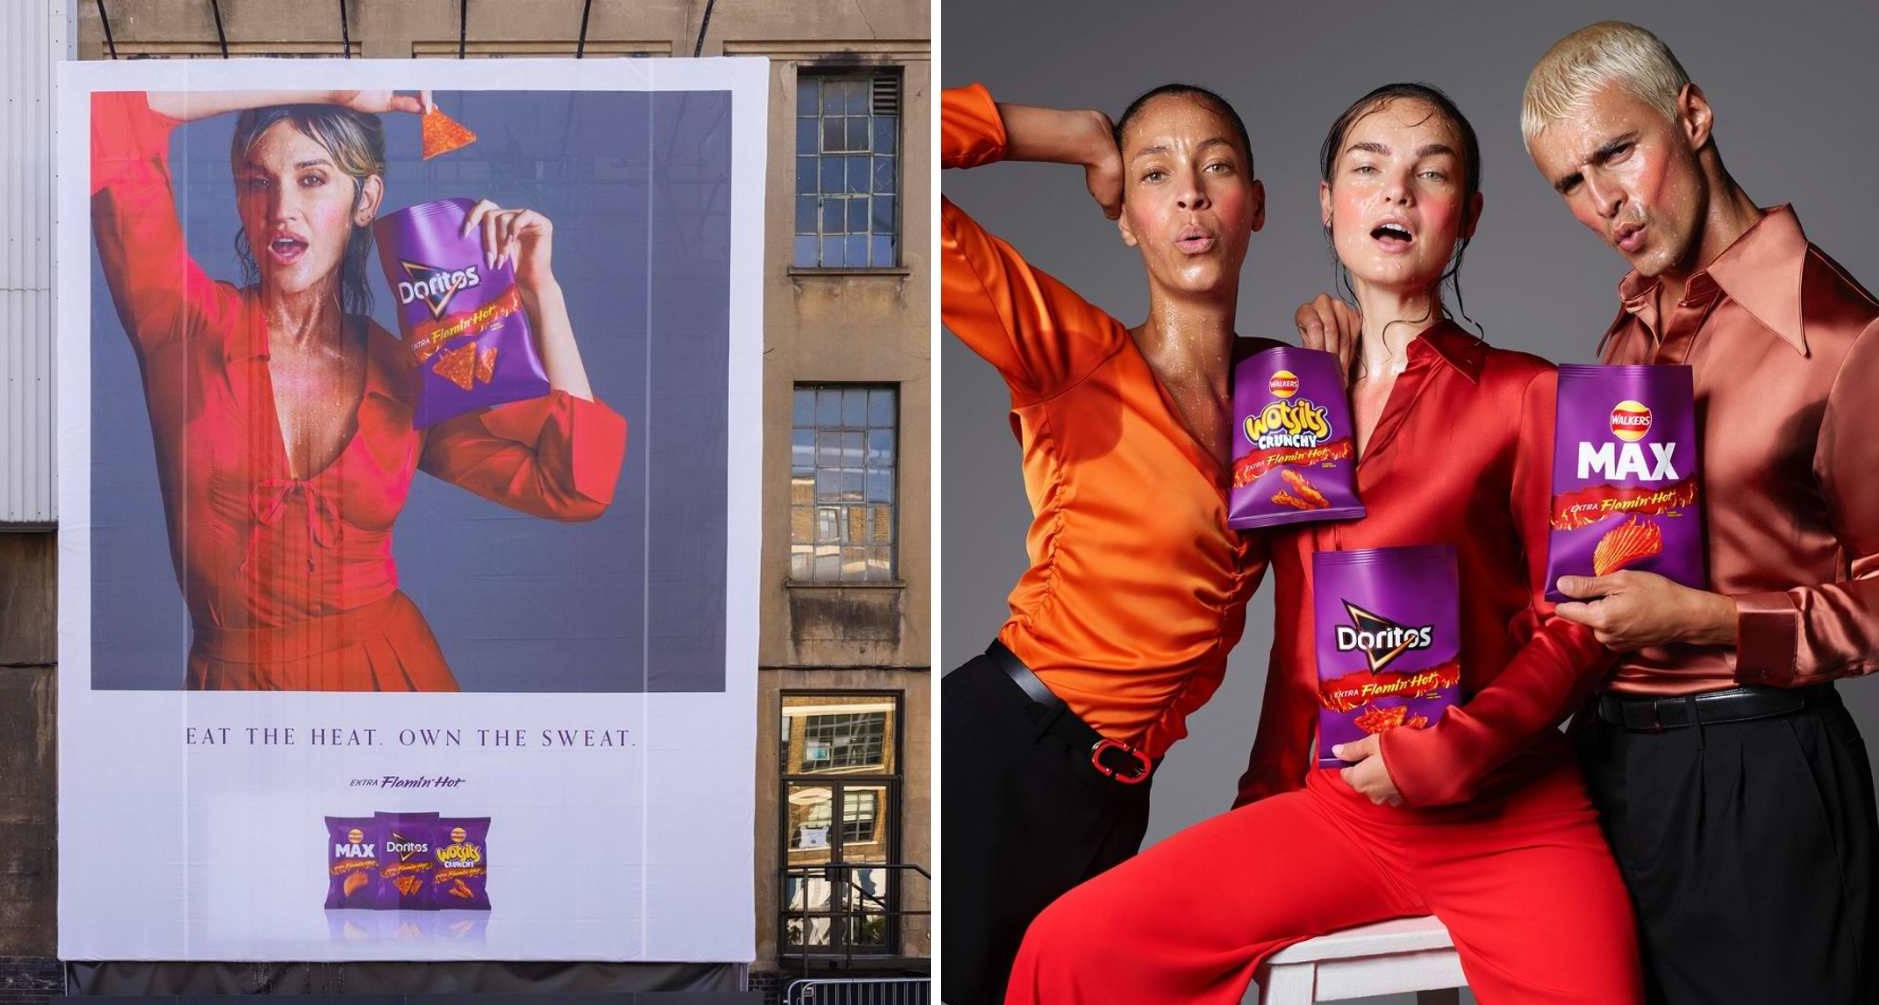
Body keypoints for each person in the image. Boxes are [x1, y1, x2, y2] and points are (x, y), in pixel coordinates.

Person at [1003, 83, 1643, 1005]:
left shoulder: (1528, 393)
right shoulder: (1288, 405)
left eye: (1431, 175)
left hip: (1511, 811)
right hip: (1342, 808)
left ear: (1464, 216)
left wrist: (1460, 745)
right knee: (1068, 950)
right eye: (1368, 168)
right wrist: (1265, 797)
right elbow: (1297, 630)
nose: (1396, 193)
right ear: (1322, 203)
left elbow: (1585, 621)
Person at [1521, 21, 1879, 1004]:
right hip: (1606, 765)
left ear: (1691, 113)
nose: (1603, 203)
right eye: (1567, 183)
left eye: (1614, 152)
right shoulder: (1628, 325)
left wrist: (1708, 623)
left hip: (1756, 773)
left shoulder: (1844, 334)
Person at [90, 88, 627, 691]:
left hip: (389, 677)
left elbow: (576, 488)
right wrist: (332, 88)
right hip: (237, 694)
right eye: (258, 182)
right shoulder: (181, 325)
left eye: (313, 179)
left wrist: (539, 291)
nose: (281, 209)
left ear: (365, 198)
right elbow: (108, 113)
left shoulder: (411, 370)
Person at [939, 82, 1272, 1002]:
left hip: (1116, 794)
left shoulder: (1293, 399)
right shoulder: (1071, 355)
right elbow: (873, 162)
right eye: (1156, 173)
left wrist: (1352, 343)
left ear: (1257, 204)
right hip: (1003, 752)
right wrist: (1063, 134)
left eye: (1216, 167)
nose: (1191, 194)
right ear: (1127, 218)